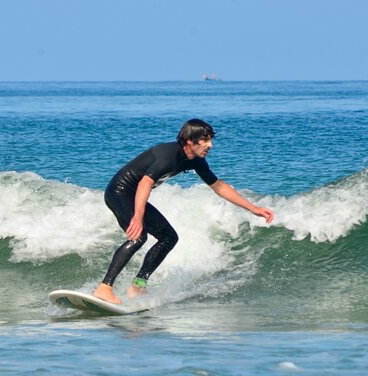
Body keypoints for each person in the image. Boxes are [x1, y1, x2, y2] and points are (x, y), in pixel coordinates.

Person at [93, 119, 274, 304]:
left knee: (169, 238)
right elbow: (145, 183)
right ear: (190, 141)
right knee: (139, 237)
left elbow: (219, 186)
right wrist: (137, 217)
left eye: (210, 140)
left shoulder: (196, 161)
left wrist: (253, 208)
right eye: (205, 140)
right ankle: (104, 287)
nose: (210, 145)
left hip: (133, 196)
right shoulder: (168, 156)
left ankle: (138, 286)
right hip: (119, 192)